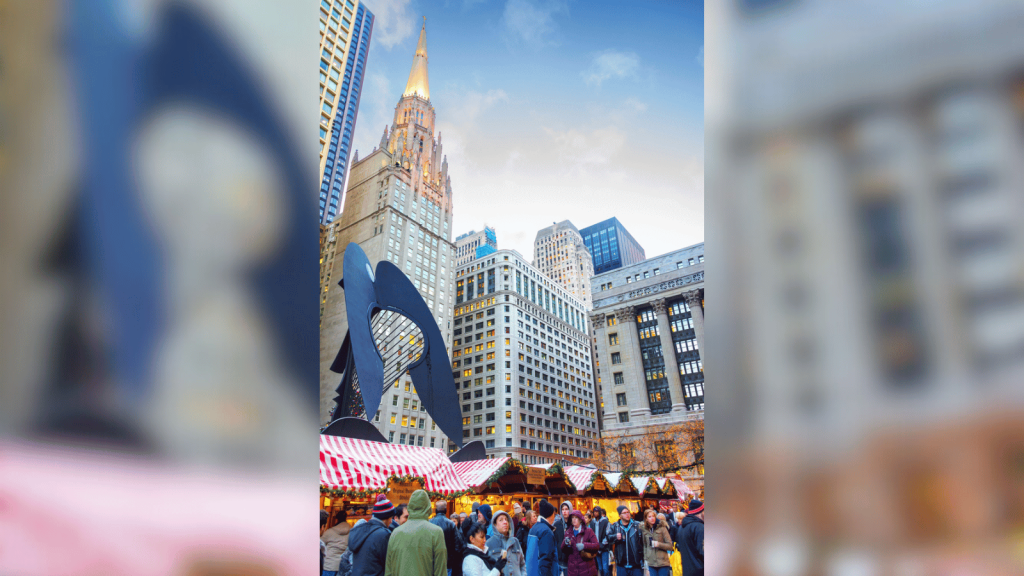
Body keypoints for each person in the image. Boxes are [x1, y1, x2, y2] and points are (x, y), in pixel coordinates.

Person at [384, 490, 447, 576]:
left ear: (410, 508)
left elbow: (389, 570)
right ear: (428, 508)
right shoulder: (436, 532)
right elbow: (440, 571)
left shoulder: (395, 533)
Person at [350, 494, 396, 576]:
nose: (391, 521)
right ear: (386, 517)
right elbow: (388, 564)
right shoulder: (384, 535)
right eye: (391, 518)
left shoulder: (359, 530)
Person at [607, 506, 644, 576]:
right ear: (620, 515)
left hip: (636, 565)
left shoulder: (637, 525)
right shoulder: (615, 526)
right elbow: (608, 538)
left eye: (628, 512)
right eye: (624, 513)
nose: (627, 514)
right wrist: (615, 536)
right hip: (621, 565)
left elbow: (643, 541)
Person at [486, 509, 525, 576]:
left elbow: (522, 565)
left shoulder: (515, 541)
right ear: (495, 524)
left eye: (506, 519)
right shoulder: (489, 543)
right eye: (501, 520)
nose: (505, 522)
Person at [431, 500, 465, 576]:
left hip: (433, 562)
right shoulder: (451, 524)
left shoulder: (430, 522)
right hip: (448, 562)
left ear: (436, 510)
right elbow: (458, 545)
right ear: (446, 510)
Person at [560, 510, 599, 576]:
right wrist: (565, 543)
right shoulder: (568, 532)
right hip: (573, 570)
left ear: (580, 520)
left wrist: (584, 545)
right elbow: (563, 549)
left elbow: (597, 545)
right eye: (572, 518)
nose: (573, 520)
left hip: (587, 570)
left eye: (576, 518)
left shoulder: (588, 531)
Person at [526, 499, 558, 576]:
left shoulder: (534, 528)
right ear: (551, 515)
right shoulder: (546, 531)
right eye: (554, 514)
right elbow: (545, 559)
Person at [640, 509, 673, 576]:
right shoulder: (644, 529)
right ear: (646, 519)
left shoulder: (662, 528)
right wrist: (646, 560)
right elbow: (645, 545)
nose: (652, 518)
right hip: (651, 563)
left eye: (653, 516)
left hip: (662, 562)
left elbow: (670, 546)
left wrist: (659, 544)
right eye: (649, 517)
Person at [674, 500, 704, 576]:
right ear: (700, 512)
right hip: (700, 571)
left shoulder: (682, 527)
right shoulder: (699, 527)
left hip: (687, 571)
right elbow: (703, 552)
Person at [322, 510, 352, 576]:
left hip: (329, 566)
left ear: (336, 520)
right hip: (345, 566)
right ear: (346, 518)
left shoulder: (329, 532)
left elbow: (320, 545)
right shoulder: (352, 532)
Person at [553, 502, 572, 576]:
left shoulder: (574, 524)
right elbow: (554, 540)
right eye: (562, 509)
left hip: (571, 558)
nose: (564, 511)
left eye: (566, 509)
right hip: (560, 558)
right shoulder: (557, 524)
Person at [591, 507, 611, 576]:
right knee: (600, 568)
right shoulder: (592, 522)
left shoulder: (605, 521)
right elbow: (591, 534)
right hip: (596, 548)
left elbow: (608, 533)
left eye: (597, 512)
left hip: (604, 548)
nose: (595, 513)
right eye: (594, 512)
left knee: (605, 569)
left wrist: (602, 544)